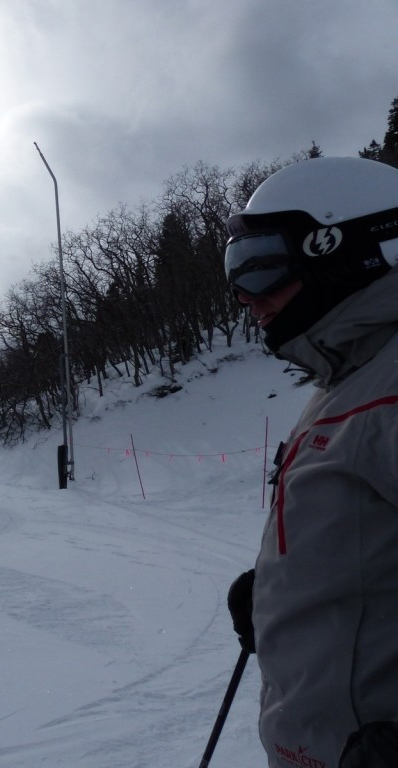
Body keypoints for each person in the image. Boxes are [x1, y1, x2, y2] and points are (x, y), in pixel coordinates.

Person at [224, 156, 398, 768]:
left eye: (261, 266)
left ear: (345, 251)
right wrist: (285, 593)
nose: (246, 298)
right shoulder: (344, 380)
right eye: (235, 272)